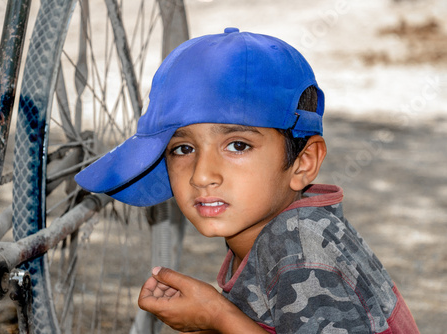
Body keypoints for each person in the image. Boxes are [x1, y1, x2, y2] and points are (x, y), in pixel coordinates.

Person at [75, 28, 419, 333]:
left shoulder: (298, 245)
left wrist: (217, 315)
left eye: (237, 145)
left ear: (303, 162)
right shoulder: (269, 230)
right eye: (182, 149)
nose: (202, 175)